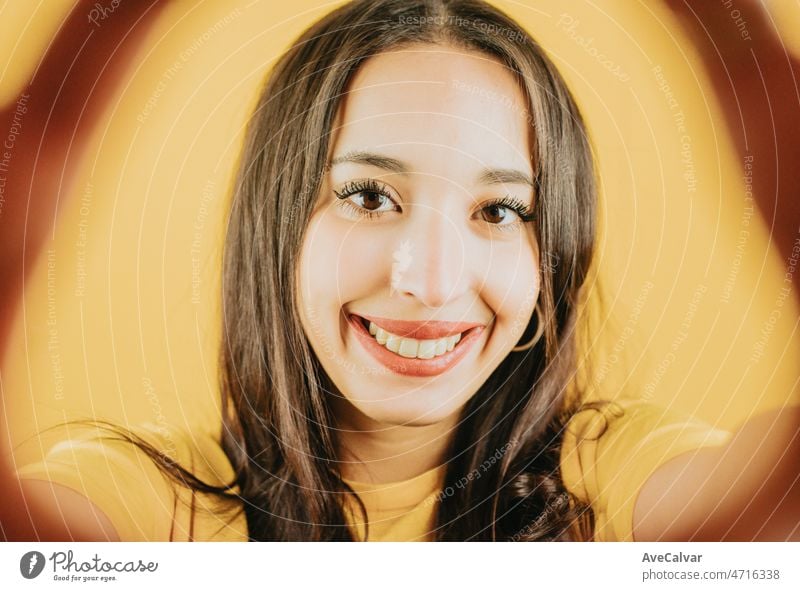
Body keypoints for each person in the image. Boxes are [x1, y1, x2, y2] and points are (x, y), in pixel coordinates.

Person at [13, 0, 800, 542]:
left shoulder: (605, 475)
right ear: (276, 225)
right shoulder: (151, 501)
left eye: (499, 211)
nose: (429, 279)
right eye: (367, 196)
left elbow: (759, 508)